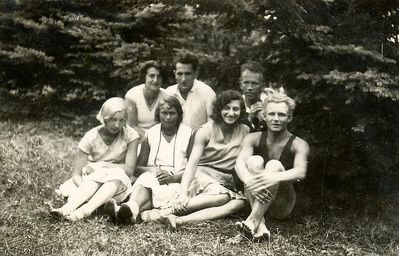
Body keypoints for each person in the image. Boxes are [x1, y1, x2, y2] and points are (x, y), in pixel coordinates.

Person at [160, 90, 250, 230]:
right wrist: (183, 194)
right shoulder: (206, 131)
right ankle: (166, 211)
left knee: (238, 204)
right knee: (223, 198)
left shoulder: (245, 131)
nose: (231, 113)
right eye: (226, 108)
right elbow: (192, 165)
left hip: (225, 181)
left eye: (235, 109)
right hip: (202, 176)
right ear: (219, 109)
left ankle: (179, 220)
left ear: (241, 111)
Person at [103, 96, 194, 223]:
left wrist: (174, 178)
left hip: (178, 181)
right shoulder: (151, 133)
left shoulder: (189, 134)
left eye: (172, 113)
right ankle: (130, 208)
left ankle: (125, 211)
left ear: (179, 115)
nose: (168, 117)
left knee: (156, 196)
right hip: (153, 181)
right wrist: (152, 170)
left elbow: (195, 168)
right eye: (164, 113)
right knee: (146, 180)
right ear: (158, 114)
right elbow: (137, 168)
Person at [235, 93, 310, 241]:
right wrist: (249, 180)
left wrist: (271, 176)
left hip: (281, 206)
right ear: (264, 116)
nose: (276, 118)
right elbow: (239, 163)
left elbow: (301, 172)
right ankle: (259, 223)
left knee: (273, 165)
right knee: (253, 161)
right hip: (255, 197)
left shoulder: (299, 144)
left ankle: (253, 220)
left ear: (289, 118)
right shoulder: (253, 138)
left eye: (281, 115)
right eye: (271, 114)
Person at [50, 97, 140, 221]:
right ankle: (66, 209)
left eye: (122, 120)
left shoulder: (131, 135)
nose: (117, 125)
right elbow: (77, 173)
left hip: (118, 183)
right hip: (91, 182)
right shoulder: (91, 136)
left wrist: (100, 165)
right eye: (112, 120)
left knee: (117, 173)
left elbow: (129, 170)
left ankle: (84, 211)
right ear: (104, 118)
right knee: (97, 177)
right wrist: (86, 191)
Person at [166, 52, 216, 130]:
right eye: (179, 74)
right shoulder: (168, 93)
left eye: (187, 74)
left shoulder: (207, 93)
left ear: (196, 73)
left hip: (200, 140)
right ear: (174, 73)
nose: (183, 79)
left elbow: (213, 124)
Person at [125, 60, 169, 139]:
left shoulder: (167, 96)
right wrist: (150, 139)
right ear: (144, 77)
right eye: (151, 76)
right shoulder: (132, 95)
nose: (155, 80)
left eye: (159, 76)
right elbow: (131, 126)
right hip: (136, 138)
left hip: (160, 137)